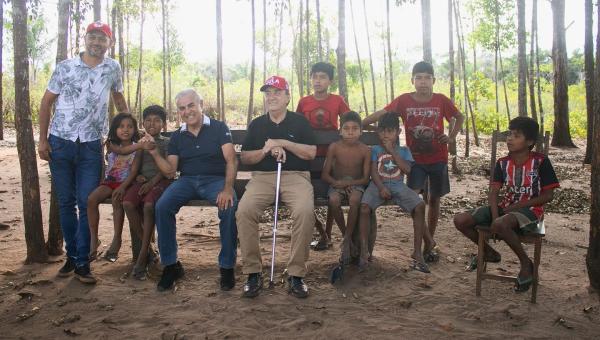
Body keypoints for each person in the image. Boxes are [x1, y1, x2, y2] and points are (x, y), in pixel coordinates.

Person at [38, 21, 128, 283]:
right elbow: (46, 103)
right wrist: (43, 141)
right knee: (65, 203)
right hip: (61, 143)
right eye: (93, 37)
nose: (97, 42)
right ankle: (75, 257)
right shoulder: (65, 67)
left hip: (91, 145)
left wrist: (129, 127)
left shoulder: (112, 67)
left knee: (86, 201)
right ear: (85, 38)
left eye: (103, 39)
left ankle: (81, 262)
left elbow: (118, 99)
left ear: (109, 43)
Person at [362, 61, 464, 263]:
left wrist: (451, 137)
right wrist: (362, 124)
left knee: (434, 200)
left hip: (438, 158)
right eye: (419, 78)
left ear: (434, 80)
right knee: (415, 201)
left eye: (427, 78)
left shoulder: (441, 100)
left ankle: (429, 244)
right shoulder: (404, 101)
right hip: (413, 161)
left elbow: (459, 116)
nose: (423, 82)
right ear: (412, 80)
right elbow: (383, 113)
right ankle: (427, 239)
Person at [454, 117, 559, 292]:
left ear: (530, 141)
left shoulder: (541, 162)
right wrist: (496, 216)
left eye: (516, 135)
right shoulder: (503, 163)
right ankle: (489, 252)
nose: (510, 138)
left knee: (500, 223)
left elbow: (548, 196)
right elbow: (494, 193)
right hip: (505, 208)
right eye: (509, 134)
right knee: (460, 220)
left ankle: (526, 264)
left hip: (531, 210)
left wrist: (515, 208)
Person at [148, 89, 238, 292]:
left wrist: (227, 188)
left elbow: (231, 159)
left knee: (229, 206)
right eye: (182, 108)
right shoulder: (178, 136)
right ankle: (170, 266)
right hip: (187, 181)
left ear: (201, 104)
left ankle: (227, 267)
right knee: (162, 206)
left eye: (191, 105)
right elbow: (171, 171)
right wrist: (154, 152)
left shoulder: (218, 128)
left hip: (215, 181)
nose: (187, 111)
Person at [237, 76, 316, 298]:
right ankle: (253, 272)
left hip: (295, 176)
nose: (271, 97)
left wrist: (282, 143)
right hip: (263, 177)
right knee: (245, 211)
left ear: (288, 97)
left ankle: (296, 274)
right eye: (268, 93)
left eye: (277, 92)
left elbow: (310, 153)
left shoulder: (300, 122)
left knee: (304, 211)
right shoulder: (257, 124)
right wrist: (265, 150)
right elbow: (245, 157)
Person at [359, 113, 431, 273]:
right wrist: (381, 188)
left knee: (419, 205)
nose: (385, 134)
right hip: (377, 186)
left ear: (398, 132)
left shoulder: (404, 151)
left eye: (390, 131)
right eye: (382, 131)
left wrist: (392, 150)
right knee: (364, 207)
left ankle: (417, 252)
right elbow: (373, 172)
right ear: (378, 132)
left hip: (398, 186)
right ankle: (364, 251)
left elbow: (407, 169)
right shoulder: (375, 150)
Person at [296, 62, 351, 251]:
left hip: (333, 159)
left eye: (322, 77)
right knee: (304, 196)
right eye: (315, 76)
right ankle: (323, 233)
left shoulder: (337, 101)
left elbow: (349, 123)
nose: (318, 81)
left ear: (330, 80)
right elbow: (296, 127)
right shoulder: (304, 102)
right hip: (308, 159)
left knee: (330, 194)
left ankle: (327, 236)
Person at [87, 113, 142, 278]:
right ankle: (93, 239)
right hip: (110, 181)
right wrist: (140, 145)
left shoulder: (137, 149)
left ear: (134, 129)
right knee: (91, 199)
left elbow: (133, 171)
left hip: (125, 183)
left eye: (130, 126)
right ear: (115, 129)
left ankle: (116, 239)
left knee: (117, 202)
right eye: (121, 126)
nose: (125, 130)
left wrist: (124, 186)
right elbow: (121, 151)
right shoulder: (112, 144)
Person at [122, 105, 172, 280]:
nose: (152, 124)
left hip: (160, 182)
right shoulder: (140, 143)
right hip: (142, 182)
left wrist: (151, 182)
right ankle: (149, 248)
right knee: (127, 203)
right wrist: (139, 177)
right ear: (142, 123)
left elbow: (166, 169)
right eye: (148, 120)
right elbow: (135, 166)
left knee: (149, 206)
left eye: (157, 121)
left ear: (164, 125)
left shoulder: (166, 142)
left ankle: (142, 257)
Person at [321, 111, 370, 264]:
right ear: (340, 131)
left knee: (355, 199)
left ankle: (347, 239)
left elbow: (365, 178)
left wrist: (350, 183)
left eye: (355, 128)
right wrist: (338, 183)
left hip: (356, 185)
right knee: (333, 200)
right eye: (346, 128)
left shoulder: (365, 150)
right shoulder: (334, 147)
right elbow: (325, 175)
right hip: (337, 184)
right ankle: (346, 238)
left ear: (361, 131)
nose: (350, 132)